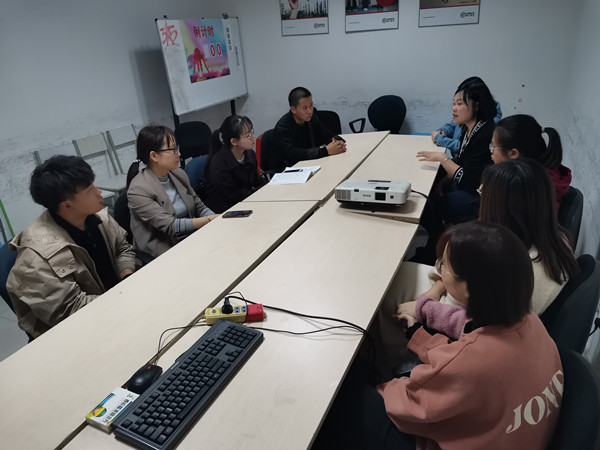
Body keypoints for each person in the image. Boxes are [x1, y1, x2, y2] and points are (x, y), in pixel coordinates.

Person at [314, 222, 563, 450]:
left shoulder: (470, 364)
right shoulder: (530, 321)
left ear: (467, 287)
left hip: (463, 434)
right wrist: (417, 334)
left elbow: (406, 404)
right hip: (508, 429)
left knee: (347, 391)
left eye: (443, 266)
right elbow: (465, 344)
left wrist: (380, 383)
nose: (440, 270)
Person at [6, 156, 135, 339]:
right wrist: (124, 301)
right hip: (79, 332)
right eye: (89, 190)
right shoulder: (36, 257)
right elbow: (71, 310)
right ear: (67, 204)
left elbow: (121, 248)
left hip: (115, 308)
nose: (98, 192)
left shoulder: (99, 218)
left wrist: (127, 277)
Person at [126, 125, 218, 258]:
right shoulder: (138, 189)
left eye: (177, 148)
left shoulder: (178, 174)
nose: (179, 154)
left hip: (190, 240)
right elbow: (171, 226)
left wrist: (216, 220)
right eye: (173, 149)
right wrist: (209, 219)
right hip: (164, 252)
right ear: (154, 156)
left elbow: (199, 206)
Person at [490, 114, 571, 209]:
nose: (491, 151)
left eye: (494, 146)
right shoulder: (545, 174)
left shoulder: (525, 191)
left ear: (513, 153)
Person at [271, 86, 346, 172]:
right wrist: (326, 151)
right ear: (293, 109)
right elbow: (294, 154)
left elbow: (326, 133)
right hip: (289, 170)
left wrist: (337, 142)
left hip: (311, 165)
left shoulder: (311, 117)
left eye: (311, 106)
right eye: (305, 108)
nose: (310, 111)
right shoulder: (283, 128)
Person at [203, 115, 267, 213]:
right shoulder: (219, 163)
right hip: (226, 209)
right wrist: (258, 192)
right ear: (234, 141)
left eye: (252, 132)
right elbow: (232, 194)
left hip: (246, 201)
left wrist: (270, 186)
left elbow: (255, 179)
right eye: (247, 135)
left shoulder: (249, 154)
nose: (252, 137)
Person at [431, 76, 503, 155]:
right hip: (459, 158)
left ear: (476, 105)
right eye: (454, 103)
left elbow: (467, 147)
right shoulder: (466, 116)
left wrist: (441, 140)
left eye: (459, 103)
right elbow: (452, 126)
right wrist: (443, 131)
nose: (454, 108)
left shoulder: (487, 123)